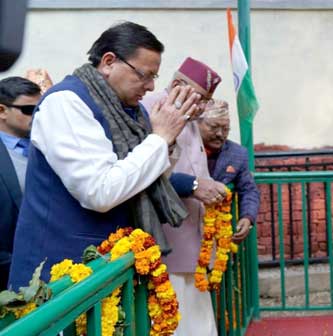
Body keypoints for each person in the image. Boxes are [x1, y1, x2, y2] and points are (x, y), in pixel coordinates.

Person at [8, 21, 225, 288]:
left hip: (111, 266)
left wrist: (165, 144)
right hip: (60, 276)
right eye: (143, 75)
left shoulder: (132, 111)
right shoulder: (65, 103)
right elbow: (100, 192)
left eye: (154, 78)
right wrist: (160, 138)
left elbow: (149, 177)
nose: (149, 87)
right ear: (109, 61)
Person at [141, 57, 226, 336]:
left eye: (206, 101)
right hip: (167, 241)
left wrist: (210, 187)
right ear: (177, 84)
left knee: (198, 323)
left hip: (193, 239)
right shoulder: (152, 107)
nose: (202, 107)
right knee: (176, 322)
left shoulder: (188, 116)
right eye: (199, 98)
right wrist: (192, 185)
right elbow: (147, 171)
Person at [198, 99, 260, 243]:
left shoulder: (238, 154)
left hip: (218, 235)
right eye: (214, 127)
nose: (220, 134)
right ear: (197, 123)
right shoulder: (183, 148)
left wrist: (247, 217)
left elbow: (249, 190)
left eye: (225, 129)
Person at [0, 77, 41, 290]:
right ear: (2, 111)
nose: (36, 116)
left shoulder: (47, 144)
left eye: (39, 109)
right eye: (28, 110)